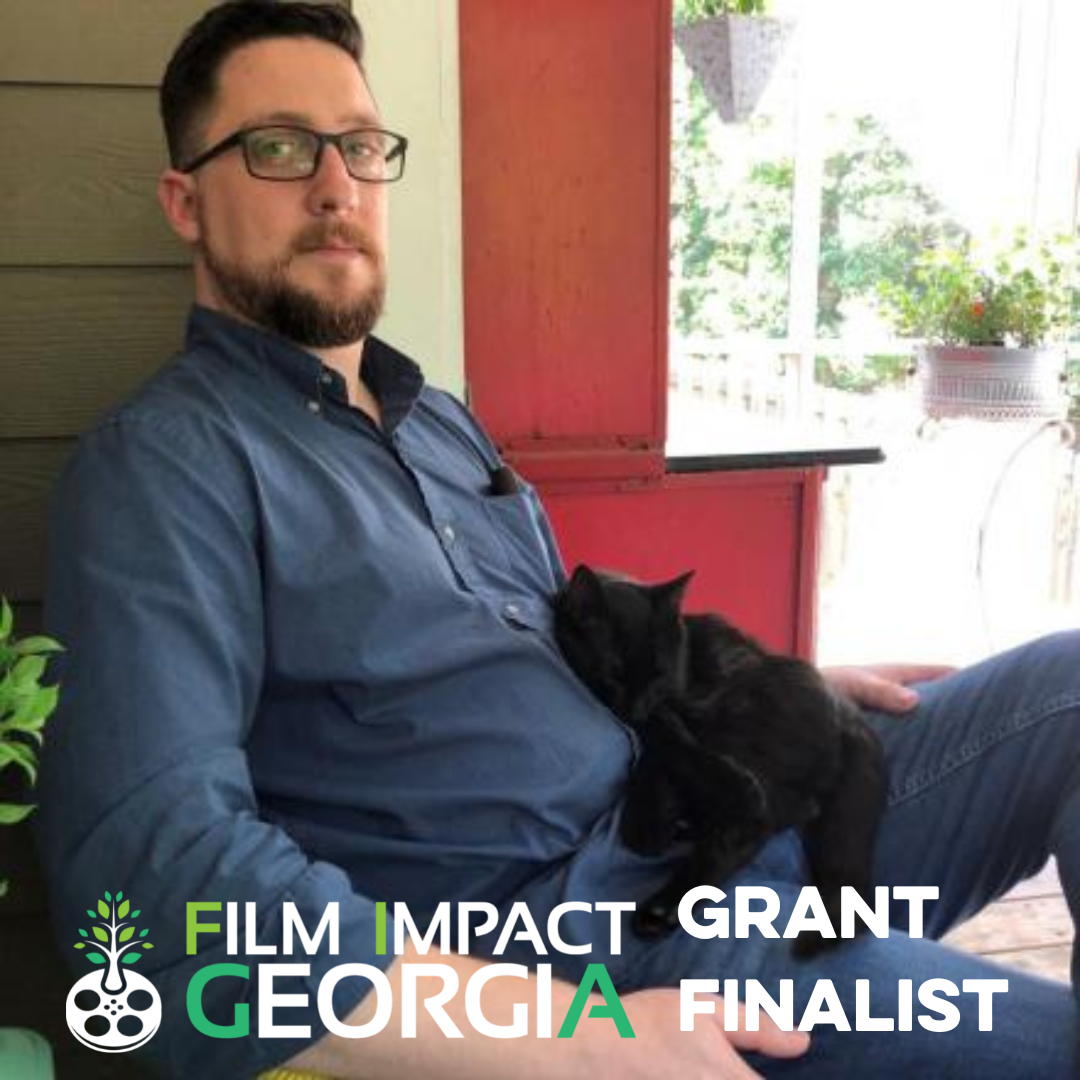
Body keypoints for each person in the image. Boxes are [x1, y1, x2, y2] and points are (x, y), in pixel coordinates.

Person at [37, 2, 1080, 1077]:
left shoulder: (437, 423)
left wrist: (758, 690)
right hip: (589, 951)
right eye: (279, 147)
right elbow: (152, 884)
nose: (337, 184)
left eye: (360, 145)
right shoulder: (164, 470)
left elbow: (578, 665)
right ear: (186, 202)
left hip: (703, 800)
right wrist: (582, 1038)